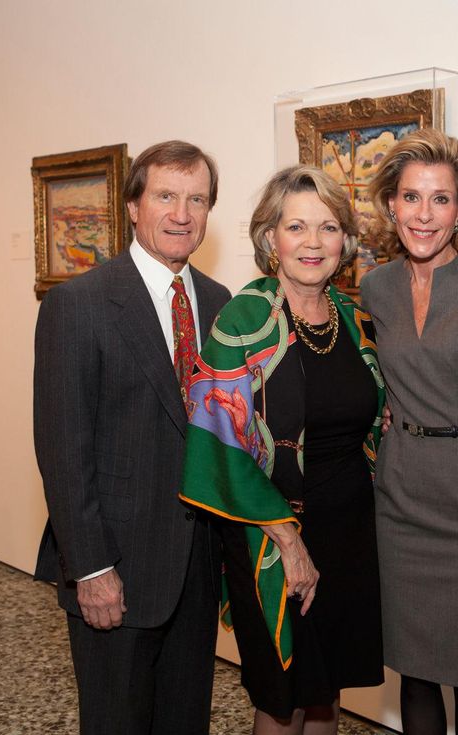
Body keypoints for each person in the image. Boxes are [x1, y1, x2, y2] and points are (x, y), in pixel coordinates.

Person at [178, 165, 386, 735]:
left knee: (326, 692)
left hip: (348, 532)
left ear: (345, 238)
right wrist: (288, 539)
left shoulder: (354, 318)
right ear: (271, 238)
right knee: (282, 696)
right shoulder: (242, 319)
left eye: (328, 227)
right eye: (297, 227)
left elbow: (368, 415)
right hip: (271, 536)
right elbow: (216, 444)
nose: (313, 242)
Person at [33, 140, 232, 734]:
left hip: (196, 566)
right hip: (114, 566)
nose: (182, 214)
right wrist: (90, 568)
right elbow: (63, 450)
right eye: (166, 196)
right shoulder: (79, 304)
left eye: (197, 199)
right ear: (132, 206)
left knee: (184, 720)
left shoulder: (220, 305)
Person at [360, 128, 458, 735]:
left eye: (441, 199)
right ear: (391, 204)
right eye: (410, 197)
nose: (423, 215)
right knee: (416, 674)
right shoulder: (375, 287)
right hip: (400, 493)